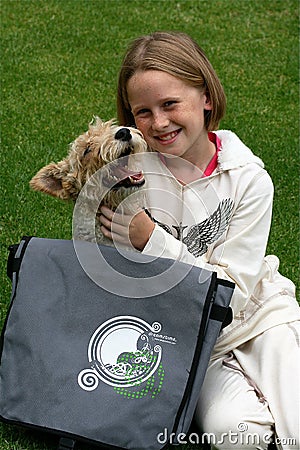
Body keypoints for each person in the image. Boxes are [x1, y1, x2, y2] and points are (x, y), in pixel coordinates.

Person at [99, 31, 300, 449]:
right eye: (142, 112)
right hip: (191, 341)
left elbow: (233, 295)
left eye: (170, 104)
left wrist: (151, 239)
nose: (159, 123)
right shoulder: (129, 181)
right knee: (238, 438)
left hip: (261, 320)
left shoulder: (249, 179)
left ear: (206, 97)